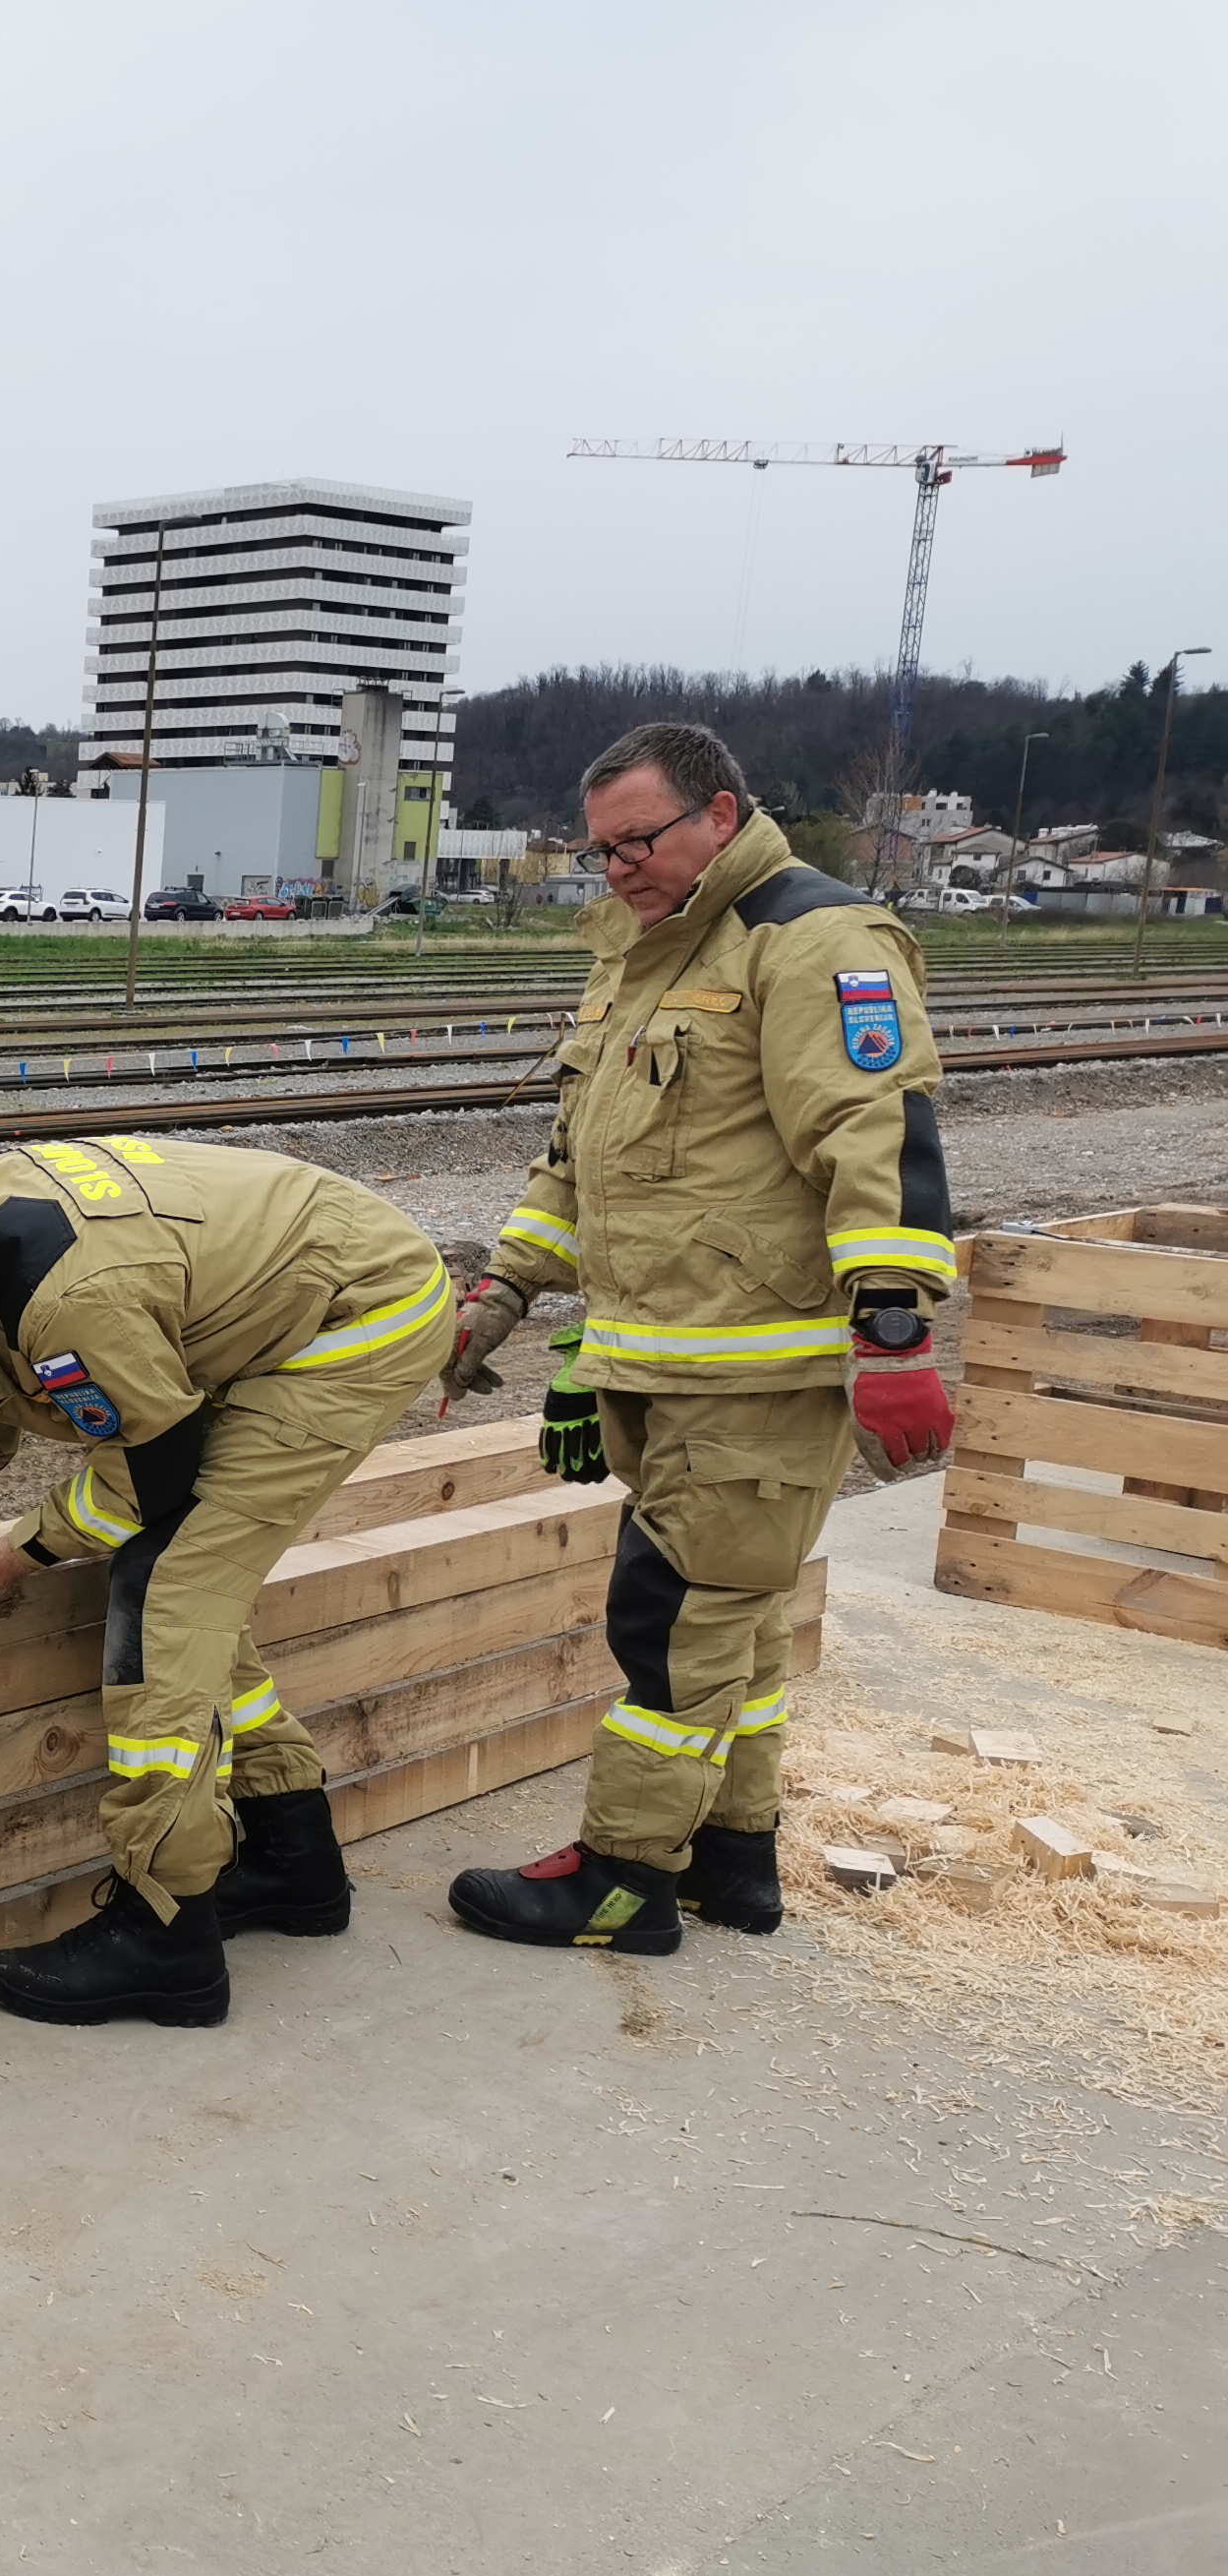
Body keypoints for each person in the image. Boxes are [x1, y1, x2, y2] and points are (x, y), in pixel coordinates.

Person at [441, 721, 952, 1956]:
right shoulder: (644, 958)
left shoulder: (815, 938)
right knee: (739, 1620)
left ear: (720, 814)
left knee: (670, 1623)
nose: (615, 870)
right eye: (598, 851)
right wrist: (498, 1299)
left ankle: (621, 1884)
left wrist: (892, 1328)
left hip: (757, 1372)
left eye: (638, 842)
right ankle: (736, 1860)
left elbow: (875, 1133)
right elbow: (578, 1167)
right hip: (664, 1363)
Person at [0, 1135, 453, 2027]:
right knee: (179, 1573)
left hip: (354, 1319)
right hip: (263, 1300)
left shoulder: (63, 1298)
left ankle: (168, 1935)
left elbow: (152, 1470)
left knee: (165, 1589)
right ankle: (293, 1864)